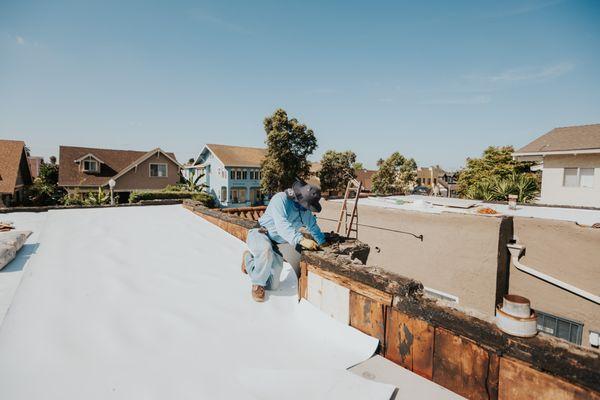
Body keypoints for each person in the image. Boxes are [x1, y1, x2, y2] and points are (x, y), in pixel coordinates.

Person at [241, 180, 326, 302]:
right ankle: (257, 284)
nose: (307, 209)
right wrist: (301, 239)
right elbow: (282, 225)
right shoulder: (280, 199)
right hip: (260, 233)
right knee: (266, 250)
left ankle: (248, 261)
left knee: (273, 285)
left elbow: (313, 227)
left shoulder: (305, 212)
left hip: (277, 243)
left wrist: (322, 242)